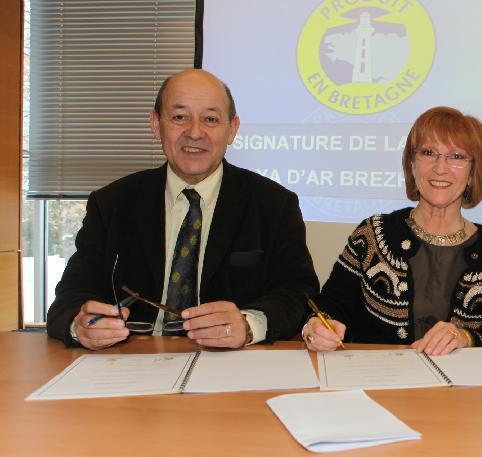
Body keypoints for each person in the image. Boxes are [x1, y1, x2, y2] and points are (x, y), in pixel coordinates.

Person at [47, 69, 319, 349]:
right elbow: (69, 298)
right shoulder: (112, 202)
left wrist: (248, 325)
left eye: (210, 119)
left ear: (232, 129)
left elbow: (299, 293)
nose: (195, 132)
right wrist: (80, 326)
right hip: (134, 361)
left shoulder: (274, 203)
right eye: (179, 117)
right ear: (156, 124)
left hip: (231, 365)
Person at [303, 106, 482, 355]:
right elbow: (331, 305)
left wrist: (465, 337)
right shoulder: (372, 235)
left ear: (473, 173)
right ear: (412, 165)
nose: (440, 168)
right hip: (375, 382)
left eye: (457, 156)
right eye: (428, 153)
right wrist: (315, 326)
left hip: (458, 391)